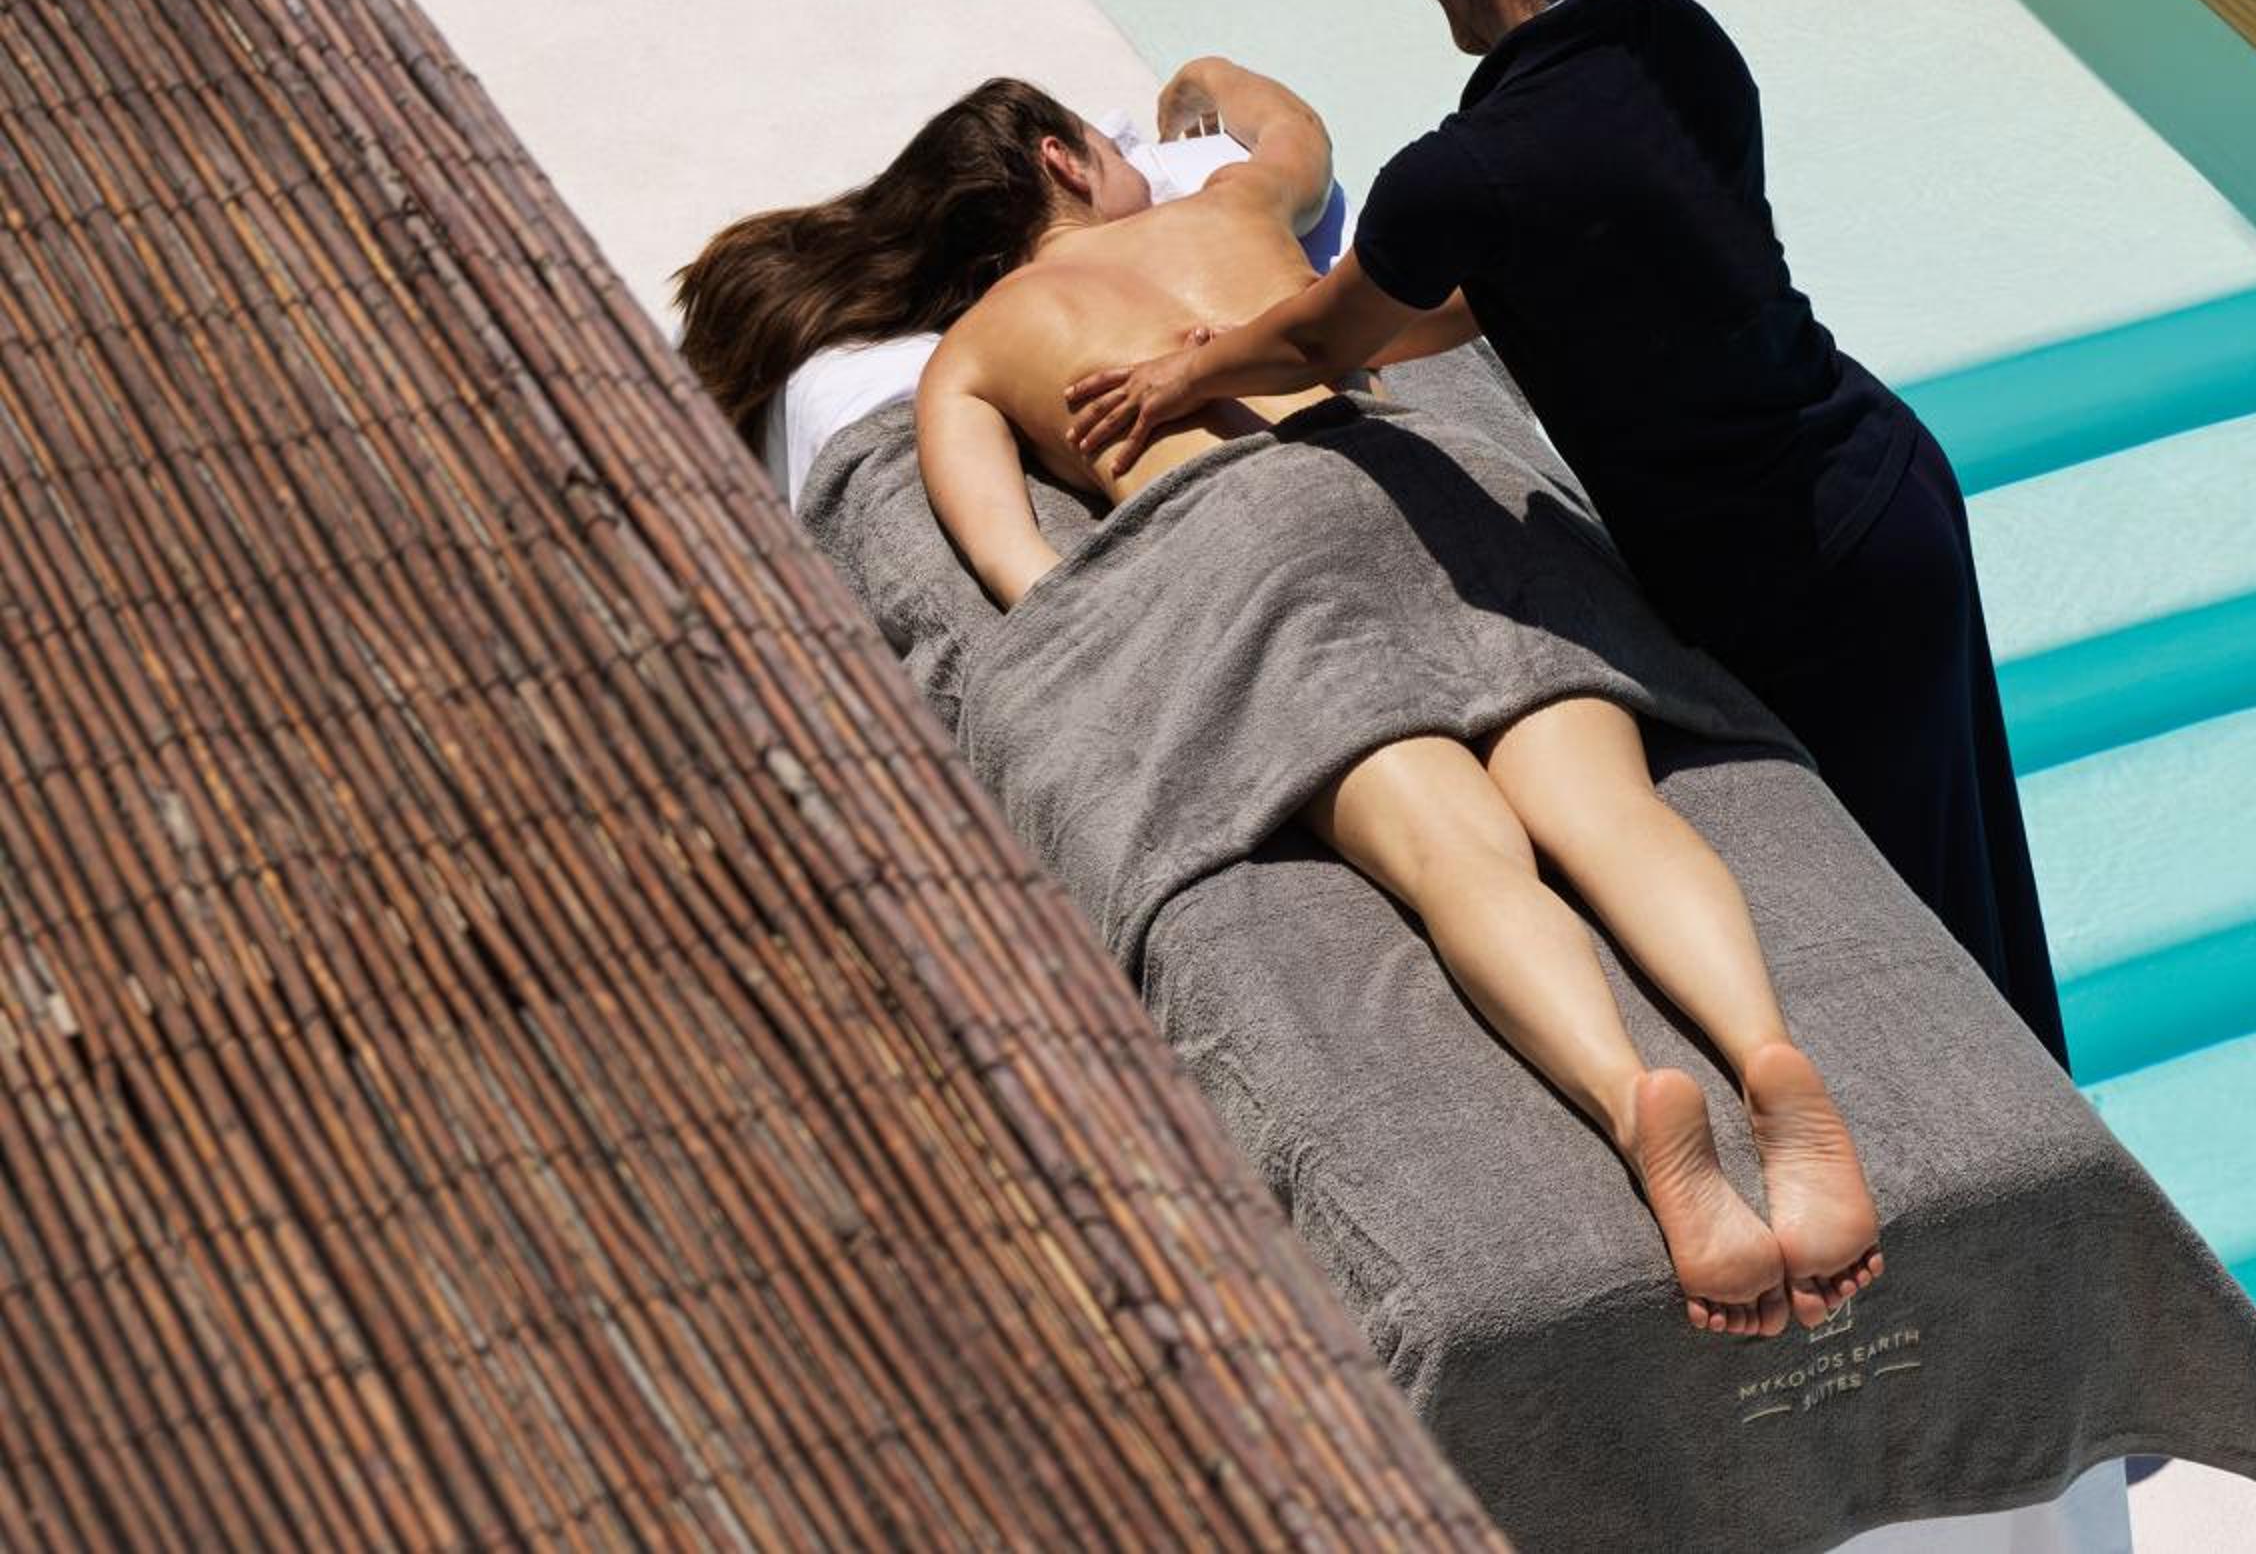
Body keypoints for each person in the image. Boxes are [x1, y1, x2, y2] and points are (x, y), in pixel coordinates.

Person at [674, 64, 1884, 1336]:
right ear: (1060, 159)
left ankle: (1636, 1101)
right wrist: (1207, 81)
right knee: (1608, 808)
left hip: (1256, 554)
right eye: (1106, 144)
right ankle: (1765, 1053)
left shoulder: (969, 357)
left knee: (1459, 857)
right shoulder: (1235, 205)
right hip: (1418, 476)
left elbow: (1029, 584)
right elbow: (1296, 129)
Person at [1065, 0, 2069, 1072]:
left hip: (1804, 584)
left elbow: (1321, 343)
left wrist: (1185, 374)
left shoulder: (1466, 169)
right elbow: (1483, 299)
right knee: (1981, 921)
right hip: (1888, 496)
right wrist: (1282, 335)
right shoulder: (1675, 41)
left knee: (1928, 968)